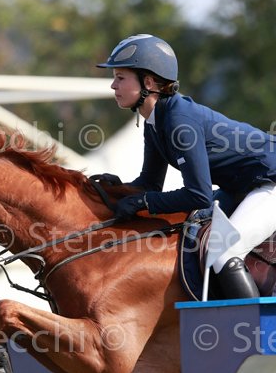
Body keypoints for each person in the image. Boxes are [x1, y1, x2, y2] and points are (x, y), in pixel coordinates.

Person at [97, 33, 276, 298]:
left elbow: (198, 195)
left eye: (120, 77)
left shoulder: (179, 121)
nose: (113, 85)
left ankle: (256, 325)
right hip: (242, 187)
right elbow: (149, 184)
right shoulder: (155, 121)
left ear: (148, 82)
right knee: (192, 231)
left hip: (269, 182)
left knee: (223, 250)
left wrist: (142, 201)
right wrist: (117, 189)